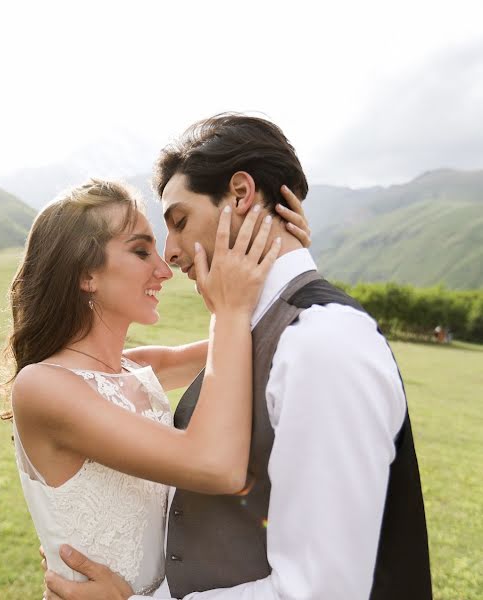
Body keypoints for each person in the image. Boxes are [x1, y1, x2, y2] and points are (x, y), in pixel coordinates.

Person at [44, 114, 432, 600]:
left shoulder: (324, 343)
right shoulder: (257, 330)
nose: (173, 256)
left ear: (242, 195)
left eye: (180, 223)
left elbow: (321, 591)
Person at [0, 177, 310, 595]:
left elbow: (257, 335)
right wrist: (228, 310)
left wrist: (286, 260)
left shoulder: (139, 368)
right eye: (141, 251)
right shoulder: (43, 387)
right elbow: (214, 465)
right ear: (86, 273)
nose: (164, 270)